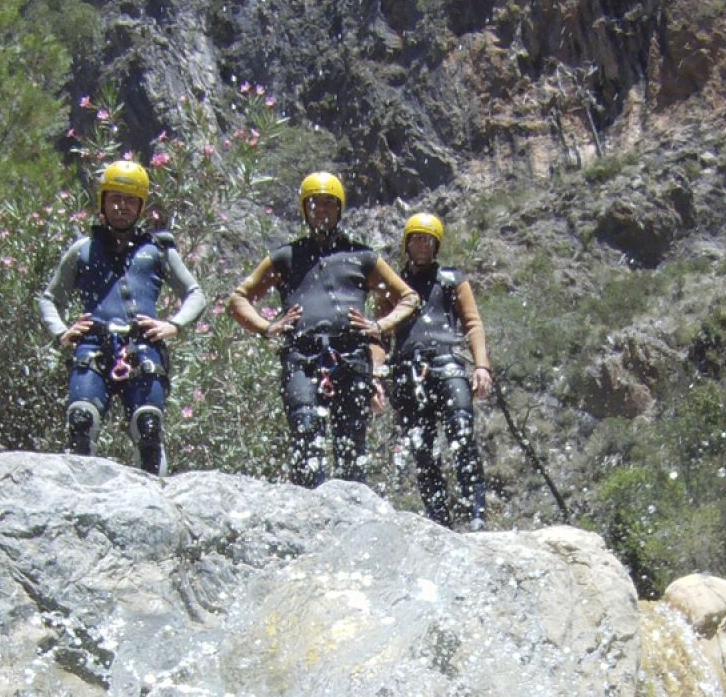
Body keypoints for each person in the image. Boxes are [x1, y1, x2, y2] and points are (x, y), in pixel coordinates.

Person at [224, 171, 420, 486]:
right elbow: (238, 299)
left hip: (352, 356)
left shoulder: (362, 256)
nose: (322, 210)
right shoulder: (286, 257)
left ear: (340, 209)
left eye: (329, 204)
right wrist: (267, 327)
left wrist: (378, 325)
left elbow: (409, 297)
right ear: (305, 209)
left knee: (351, 440)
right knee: (304, 429)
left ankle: (352, 512)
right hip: (302, 355)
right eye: (315, 204)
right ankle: (308, 508)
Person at [38, 158, 208, 475]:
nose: (122, 207)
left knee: (148, 427)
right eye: (115, 198)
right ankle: (80, 497)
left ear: (141, 205)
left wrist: (174, 325)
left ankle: (155, 496)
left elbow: (195, 294)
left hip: (144, 347)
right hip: (93, 345)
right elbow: (50, 297)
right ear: (103, 201)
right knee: (81, 420)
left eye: (130, 200)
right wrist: (61, 331)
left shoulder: (159, 250)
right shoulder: (82, 249)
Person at [380, 212, 493, 530]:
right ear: (407, 243)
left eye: (428, 240)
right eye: (416, 238)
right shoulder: (393, 285)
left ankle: (475, 513)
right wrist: (377, 372)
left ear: (437, 244)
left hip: (447, 362)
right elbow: (379, 334)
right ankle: (438, 519)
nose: (422, 245)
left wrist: (481, 365)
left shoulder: (452, 279)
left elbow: (472, 323)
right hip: (406, 369)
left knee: (461, 432)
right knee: (422, 446)